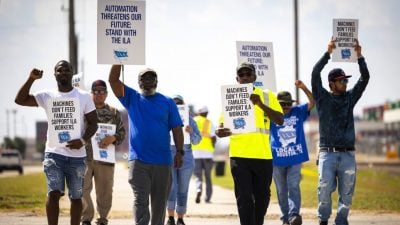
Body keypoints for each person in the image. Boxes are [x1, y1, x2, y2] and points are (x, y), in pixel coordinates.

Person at [14, 60, 98, 225]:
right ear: (55, 74)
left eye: (67, 70)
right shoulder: (47, 96)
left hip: (77, 156)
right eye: (60, 70)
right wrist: (31, 79)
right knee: (53, 193)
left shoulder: (84, 96)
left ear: (72, 73)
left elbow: (94, 123)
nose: (63, 72)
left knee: (76, 196)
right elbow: (20, 100)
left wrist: (82, 140)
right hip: (54, 153)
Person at [108, 65, 184, 225]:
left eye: (151, 77)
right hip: (138, 161)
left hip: (162, 162)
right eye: (144, 78)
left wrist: (179, 152)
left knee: (159, 204)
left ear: (157, 81)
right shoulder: (131, 97)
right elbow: (113, 80)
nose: (148, 80)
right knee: (140, 200)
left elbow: (177, 129)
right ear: (138, 82)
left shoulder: (168, 102)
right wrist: (117, 60)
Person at [216, 62, 284, 225]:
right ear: (237, 79)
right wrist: (219, 132)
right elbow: (220, 127)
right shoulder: (231, 97)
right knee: (244, 197)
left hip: (263, 156)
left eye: (248, 74)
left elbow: (280, 120)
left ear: (254, 77)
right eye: (242, 75)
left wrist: (260, 104)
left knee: (263, 197)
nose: (245, 77)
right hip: (239, 157)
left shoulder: (267, 95)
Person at [311, 38, 369, 225]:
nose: (344, 83)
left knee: (347, 193)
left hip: (348, 155)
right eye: (341, 81)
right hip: (327, 153)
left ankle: (341, 221)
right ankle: (323, 220)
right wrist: (328, 53)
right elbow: (314, 73)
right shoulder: (322, 98)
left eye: (345, 80)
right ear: (331, 83)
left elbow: (365, 78)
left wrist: (359, 56)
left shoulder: (350, 98)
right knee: (324, 189)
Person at [81, 80, 126, 225]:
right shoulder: (83, 110)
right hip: (85, 156)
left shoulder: (113, 112)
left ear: (106, 94)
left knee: (105, 191)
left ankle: (102, 219)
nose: (99, 94)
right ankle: (86, 217)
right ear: (91, 93)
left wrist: (112, 138)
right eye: (95, 91)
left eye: (102, 91)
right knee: (82, 189)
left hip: (105, 157)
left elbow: (122, 133)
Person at [270, 80, 315, 225]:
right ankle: (285, 218)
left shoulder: (298, 111)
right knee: (281, 190)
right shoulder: (271, 114)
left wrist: (304, 88)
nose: (286, 107)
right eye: (282, 104)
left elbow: (313, 102)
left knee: (293, 186)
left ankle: (294, 215)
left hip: (295, 158)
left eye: (288, 104)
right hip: (276, 160)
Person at [166, 95, 202, 225]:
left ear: (184, 104)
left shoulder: (190, 120)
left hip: (186, 156)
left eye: (179, 103)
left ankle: (180, 218)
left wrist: (191, 132)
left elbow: (197, 140)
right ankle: (170, 217)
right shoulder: (165, 118)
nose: (177, 105)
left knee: (183, 188)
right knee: (171, 187)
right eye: (174, 103)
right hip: (169, 154)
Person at [191, 106, 216, 204]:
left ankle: (198, 189)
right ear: (207, 113)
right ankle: (207, 198)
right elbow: (213, 137)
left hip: (195, 153)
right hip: (208, 154)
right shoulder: (209, 123)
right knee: (208, 177)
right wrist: (213, 146)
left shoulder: (193, 121)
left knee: (197, 175)